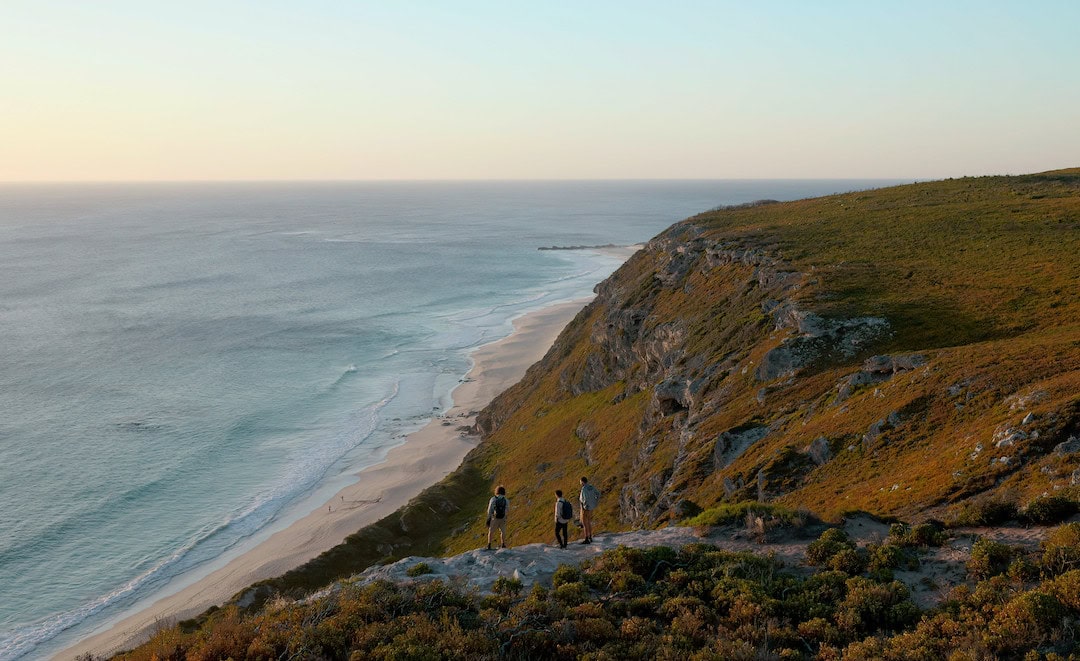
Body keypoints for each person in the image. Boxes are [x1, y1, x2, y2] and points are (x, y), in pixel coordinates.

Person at [486, 485, 510, 550]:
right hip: (503, 518)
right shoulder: (506, 500)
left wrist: (489, 518)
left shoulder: (493, 499)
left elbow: (489, 510)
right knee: (503, 531)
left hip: (494, 518)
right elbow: (508, 509)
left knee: (491, 531)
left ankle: (489, 545)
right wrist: (505, 515)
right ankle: (503, 544)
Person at [578, 476, 600, 544]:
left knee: (585, 523)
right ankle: (590, 536)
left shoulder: (584, 489)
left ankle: (586, 538)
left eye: (580, 482)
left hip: (585, 507)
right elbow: (598, 494)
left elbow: (583, 499)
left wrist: (584, 505)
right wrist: (595, 501)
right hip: (591, 507)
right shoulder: (592, 487)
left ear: (582, 482)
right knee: (589, 522)